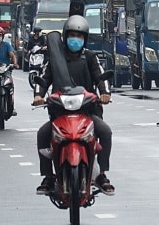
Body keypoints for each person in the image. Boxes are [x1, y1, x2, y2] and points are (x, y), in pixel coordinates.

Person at [32, 15, 114, 196]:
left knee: (105, 132)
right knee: (42, 134)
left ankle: (102, 174)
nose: (75, 39)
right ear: (65, 36)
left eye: (79, 36)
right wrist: (38, 95)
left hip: (86, 111)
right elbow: (43, 78)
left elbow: (101, 77)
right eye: (72, 35)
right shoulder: (55, 59)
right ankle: (48, 176)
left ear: (84, 39)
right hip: (60, 112)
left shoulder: (91, 57)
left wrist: (105, 93)